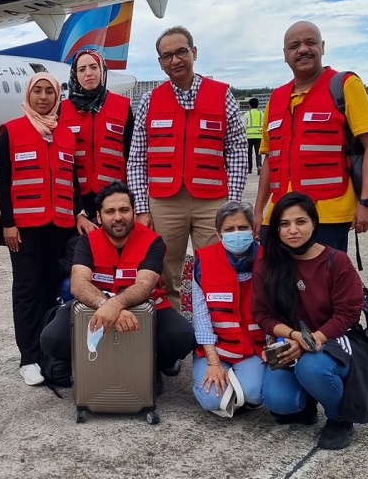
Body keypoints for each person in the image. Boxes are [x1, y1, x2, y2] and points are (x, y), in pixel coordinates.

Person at [127, 26, 249, 317]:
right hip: (165, 202)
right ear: (160, 62)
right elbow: (136, 158)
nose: (175, 60)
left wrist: (232, 205)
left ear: (193, 53)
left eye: (181, 51)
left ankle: (218, 335)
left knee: (216, 266)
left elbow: (236, 151)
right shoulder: (150, 101)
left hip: (212, 202)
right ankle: (173, 335)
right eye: (167, 55)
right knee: (165, 270)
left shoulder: (221, 95)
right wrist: (142, 208)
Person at [39, 181, 197, 395]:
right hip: (94, 308)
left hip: (145, 308)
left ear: (134, 211)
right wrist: (107, 305)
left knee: (182, 336)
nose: (118, 217)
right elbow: (78, 284)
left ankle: (153, 364)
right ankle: (86, 363)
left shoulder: (153, 241)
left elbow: (144, 284)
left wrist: (116, 305)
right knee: (52, 339)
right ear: (99, 215)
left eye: (124, 210)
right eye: (110, 211)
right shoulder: (86, 242)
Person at [254, 21, 368, 253]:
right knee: (275, 283)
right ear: (285, 55)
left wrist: (367, 201)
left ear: (322, 47)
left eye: (310, 42)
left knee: (322, 285)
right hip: (279, 214)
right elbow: (269, 160)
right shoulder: (276, 97)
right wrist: (258, 211)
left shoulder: (345, 85)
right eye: (294, 45)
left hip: (327, 214)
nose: (303, 49)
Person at [252, 192, 365, 450]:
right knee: (278, 400)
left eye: (300, 222)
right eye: (284, 224)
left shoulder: (336, 261)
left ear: (314, 223)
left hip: (334, 339)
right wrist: (293, 337)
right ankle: (308, 401)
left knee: (312, 367)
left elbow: (348, 314)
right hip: (292, 338)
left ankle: (340, 417)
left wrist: (310, 341)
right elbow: (263, 315)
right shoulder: (267, 265)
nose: (293, 230)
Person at [0, 72, 85, 385]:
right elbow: (3, 181)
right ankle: (28, 357)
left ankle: (49, 353)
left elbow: (71, 180)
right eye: (38, 91)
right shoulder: (11, 130)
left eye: (50, 91)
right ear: (28, 95)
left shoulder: (65, 134)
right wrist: (8, 222)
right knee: (26, 291)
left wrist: (78, 214)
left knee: (52, 290)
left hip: (59, 227)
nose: (44, 97)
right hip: (24, 228)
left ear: (58, 96)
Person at [190, 202, 265, 415]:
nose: (237, 234)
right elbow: (201, 316)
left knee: (255, 393)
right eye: (229, 230)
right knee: (212, 401)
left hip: (253, 349)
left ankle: (242, 388)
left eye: (242, 228)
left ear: (253, 229)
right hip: (216, 349)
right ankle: (233, 387)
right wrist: (213, 361)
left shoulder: (269, 260)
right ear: (218, 233)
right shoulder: (204, 260)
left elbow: (276, 311)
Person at [58, 49, 134, 229]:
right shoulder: (63, 109)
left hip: (114, 196)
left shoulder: (122, 106)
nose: (88, 73)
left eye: (93, 67)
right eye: (82, 69)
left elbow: (132, 155)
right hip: (76, 197)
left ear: (102, 71)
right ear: (75, 75)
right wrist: (77, 209)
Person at [244, 97, 263, 174]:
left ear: (250, 105)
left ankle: (249, 168)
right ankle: (259, 166)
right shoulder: (262, 113)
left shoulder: (247, 114)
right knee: (258, 153)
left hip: (249, 137)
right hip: (259, 136)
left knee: (249, 153)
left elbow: (244, 126)